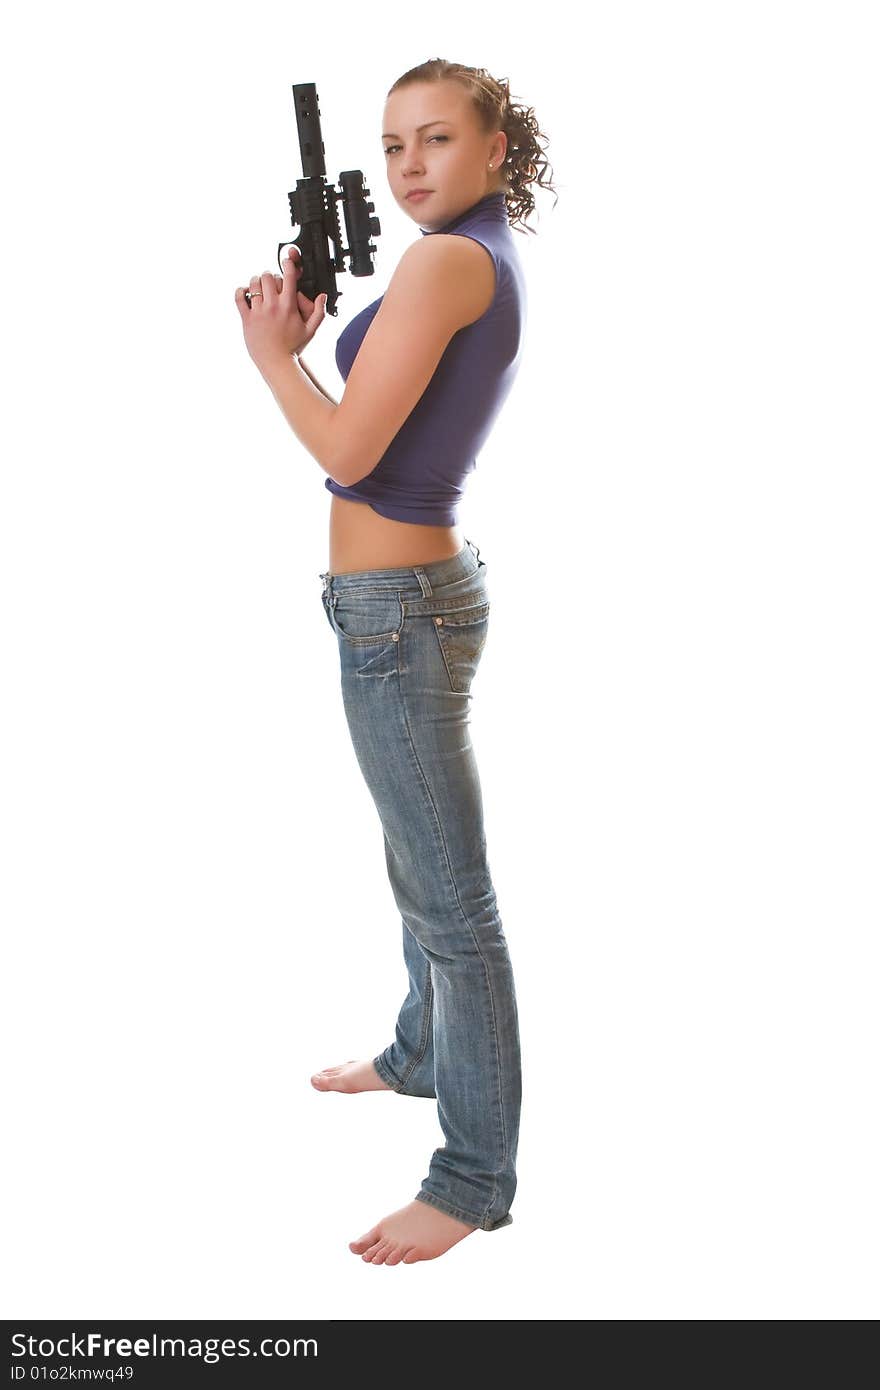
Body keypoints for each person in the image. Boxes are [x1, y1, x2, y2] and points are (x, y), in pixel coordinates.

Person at [235, 58, 556, 1264]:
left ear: (496, 154)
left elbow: (353, 449)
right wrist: (313, 348)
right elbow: (377, 420)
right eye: (394, 144)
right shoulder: (473, 258)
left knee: (454, 903)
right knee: (417, 862)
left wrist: (276, 358)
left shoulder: (445, 262)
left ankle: (472, 1178)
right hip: (405, 597)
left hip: (399, 606)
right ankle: (423, 1050)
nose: (411, 163)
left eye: (436, 138)